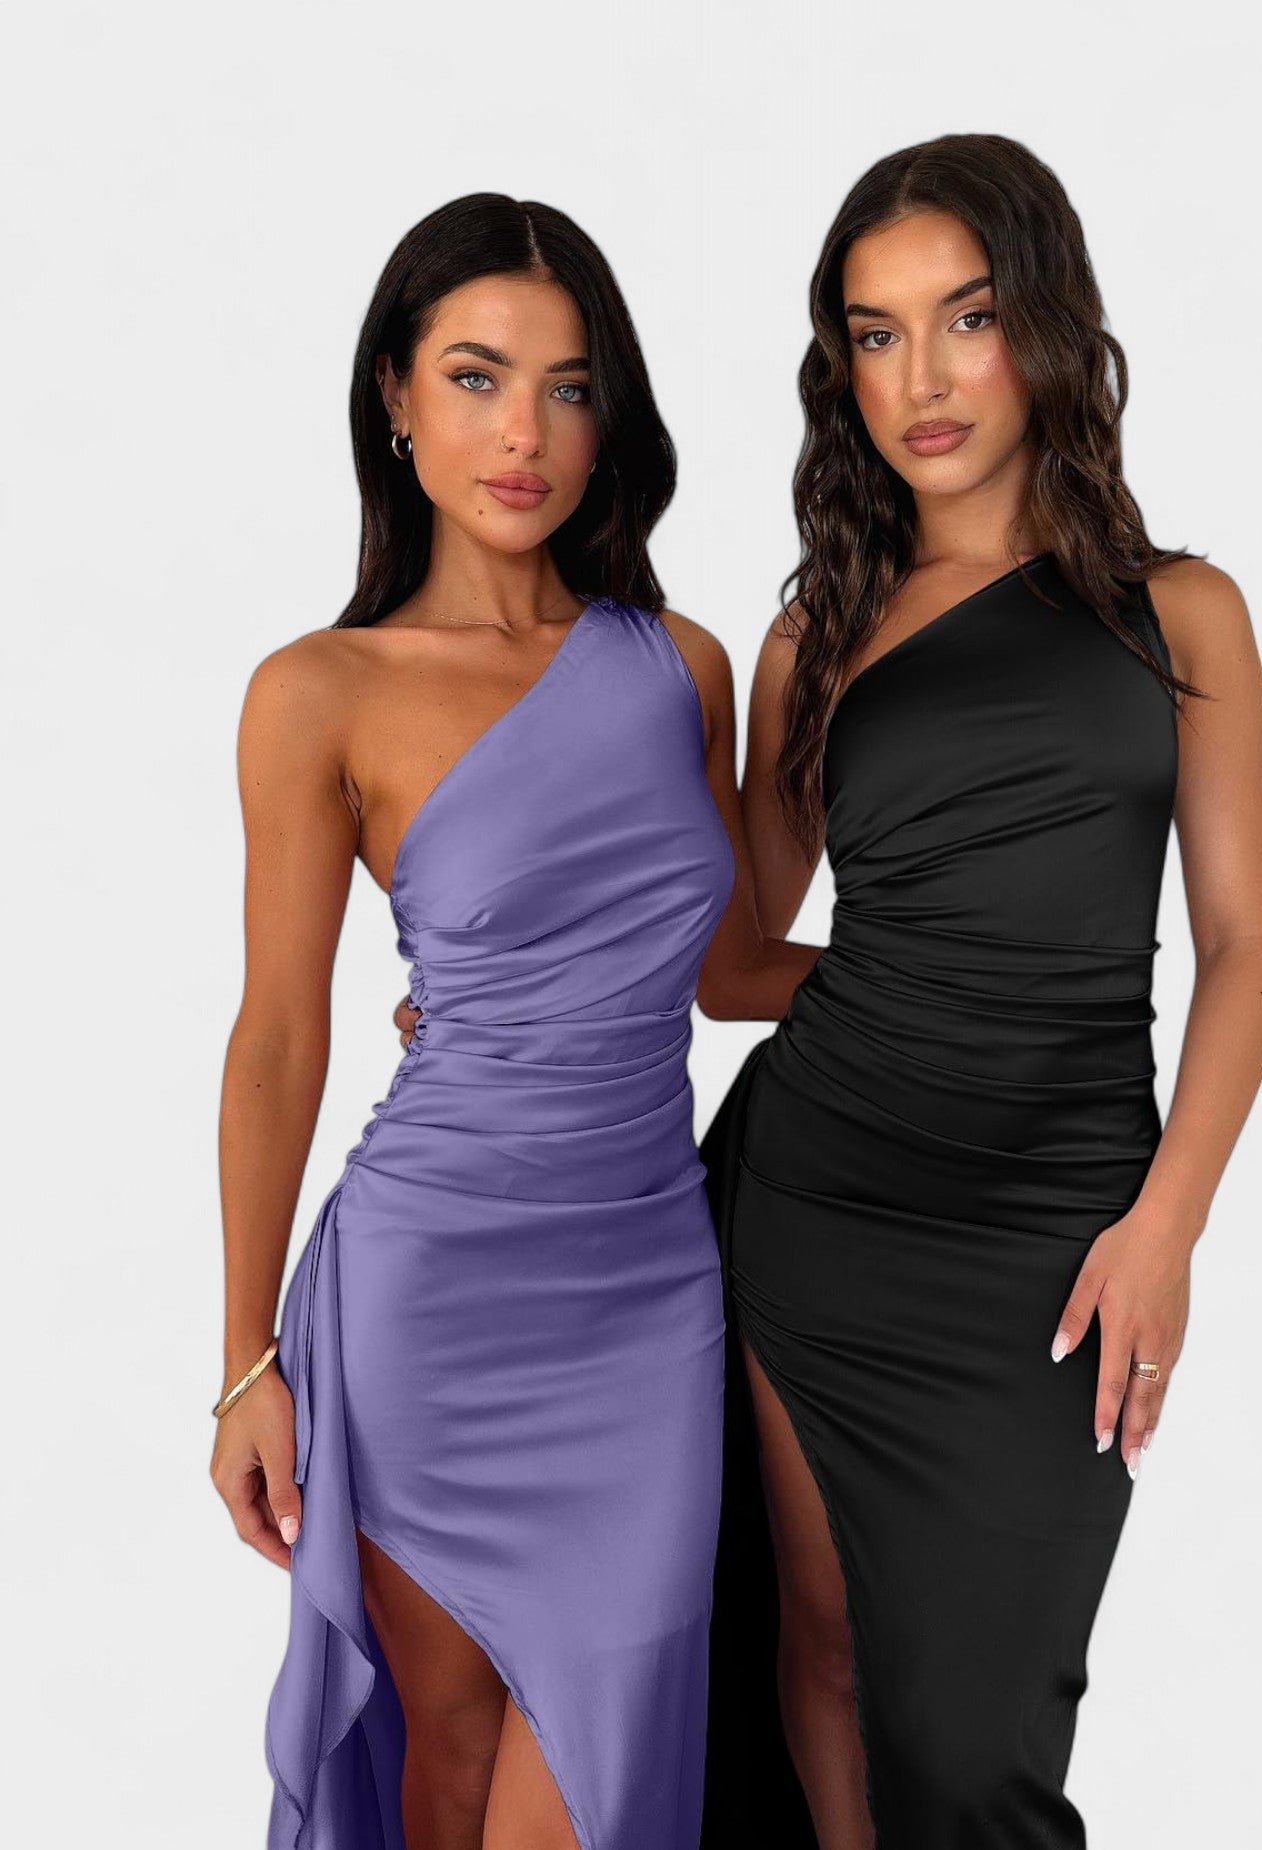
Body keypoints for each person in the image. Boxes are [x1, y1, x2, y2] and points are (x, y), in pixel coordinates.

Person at [688, 133, 1262, 1850]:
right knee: (820, 1647)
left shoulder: (1183, 614)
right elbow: (732, 958)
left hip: (1064, 1224)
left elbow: (1245, 948)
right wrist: (521, 987)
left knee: (976, 1735)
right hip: (823, 1201)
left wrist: (1166, 1222)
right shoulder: (817, 637)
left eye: (966, 317)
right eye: (875, 335)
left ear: (1045, 320)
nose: (924, 379)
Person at [210, 192, 818, 1850]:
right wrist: (245, 1361)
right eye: (477, 378)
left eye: (568, 387)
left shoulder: (680, 663)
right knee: (450, 1766)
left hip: (646, 1294)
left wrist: (952, 975)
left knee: (604, 1776)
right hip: (430, 1289)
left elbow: (727, 968)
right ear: (396, 398)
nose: (525, 434)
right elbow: (277, 1038)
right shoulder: (317, 690)